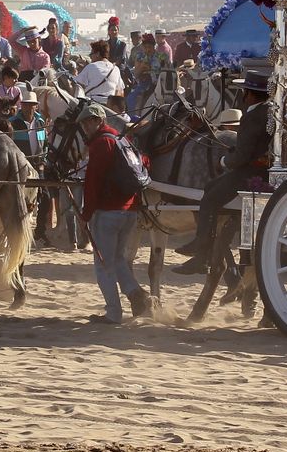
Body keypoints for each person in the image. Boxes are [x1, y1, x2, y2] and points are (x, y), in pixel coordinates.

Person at [173, 72, 270, 274]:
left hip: (250, 173)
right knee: (210, 187)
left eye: (245, 92)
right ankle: (202, 244)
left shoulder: (253, 116)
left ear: (251, 95)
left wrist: (224, 161)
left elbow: (242, 156)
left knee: (209, 200)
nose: (243, 95)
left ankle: (201, 253)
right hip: (259, 169)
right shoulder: (268, 112)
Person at [80, 103, 151, 324]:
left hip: (108, 212)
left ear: (98, 121)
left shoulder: (101, 143)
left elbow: (93, 181)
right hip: (129, 211)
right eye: (83, 123)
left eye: (88, 122)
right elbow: (144, 163)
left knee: (103, 266)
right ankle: (137, 295)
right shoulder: (122, 139)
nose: (85, 127)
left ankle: (113, 313)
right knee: (118, 259)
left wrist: (85, 215)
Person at [10, 91, 45, 163]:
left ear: (36, 107)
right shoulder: (12, 123)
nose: (28, 107)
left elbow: (45, 144)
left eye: (31, 105)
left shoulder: (41, 123)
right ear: (21, 105)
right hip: (19, 164)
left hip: (37, 164)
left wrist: (43, 162)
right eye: (25, 105)